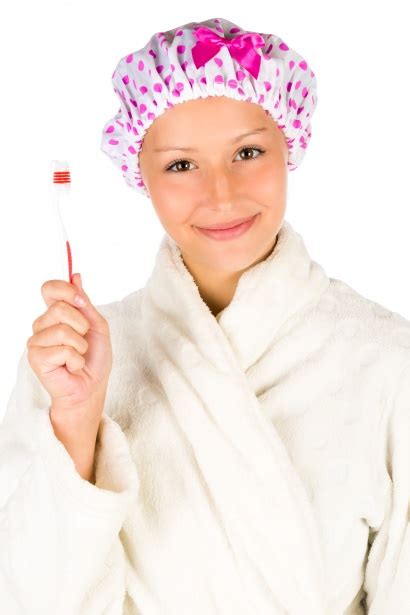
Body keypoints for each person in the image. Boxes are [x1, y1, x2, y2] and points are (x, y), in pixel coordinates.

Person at [1, 16, 409, 615]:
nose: (221, 193)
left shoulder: (387, 360)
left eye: (247, 152)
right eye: (181, 165)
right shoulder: (73, 365)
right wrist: (76, 424)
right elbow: (29, 600)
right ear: (140, 175)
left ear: (288, 147)